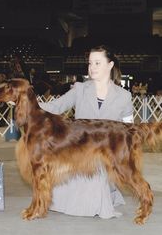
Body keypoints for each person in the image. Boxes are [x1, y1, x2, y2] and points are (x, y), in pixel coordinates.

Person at [39, 45, 133, 219]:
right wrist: (27, 103)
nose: (92, 67)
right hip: (79, 151)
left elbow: (129, 128)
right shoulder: (80, 89)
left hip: (107, 154)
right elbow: (55, 107)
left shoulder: (124, 96)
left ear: (110, 65)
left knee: (97, 172)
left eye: (97, 63)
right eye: (90, 63)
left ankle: (102, 195)